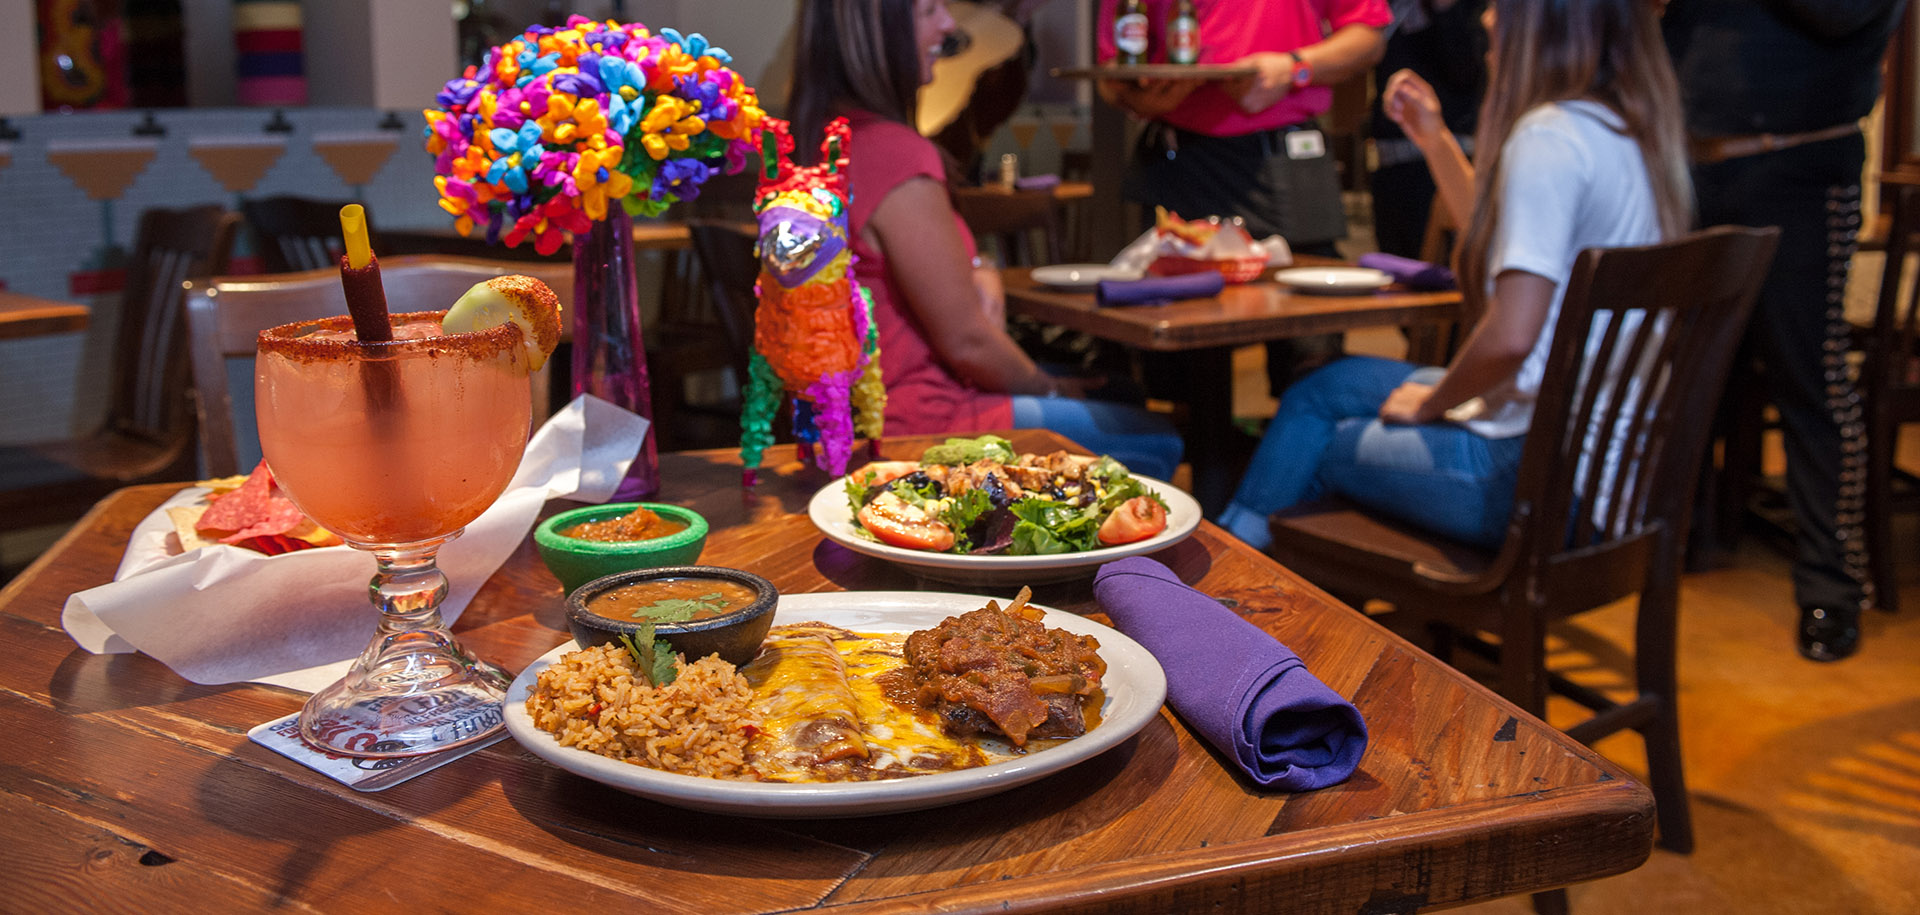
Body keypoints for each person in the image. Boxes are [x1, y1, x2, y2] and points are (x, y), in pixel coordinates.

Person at [1215, 0, 1693, 552]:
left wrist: (1431, 403)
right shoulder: (1624, 128)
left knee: (1311, 438)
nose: (1487, 19)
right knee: (1322, 387)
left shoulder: (1549, 138)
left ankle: (1225, 593)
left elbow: (1512, 337)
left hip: (1532, 474)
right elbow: (1510, 243)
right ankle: (1239, 576)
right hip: (1596, 463)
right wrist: (1434, 138)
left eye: (1501, 6)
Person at [785, 0, 1184, 480]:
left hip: (840, 421)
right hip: (915, 425)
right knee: (1157, 437)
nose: (948, 24)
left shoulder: (814, 144)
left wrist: (980, 269)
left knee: (1117, 391)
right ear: (875, 32)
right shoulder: (895, 154)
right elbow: (969, 341)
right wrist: (1051, 390)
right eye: (929, 10)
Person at [1662, 0, 1907, 662]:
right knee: (1686, 379)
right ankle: (1673, 545)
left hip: (1799, 168)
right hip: (1692, 168)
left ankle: (1832, 585)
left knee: (1811, 379)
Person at [1094, 0, 1390, 397]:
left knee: (1310, 353)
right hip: (1180, 156)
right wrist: (1135, 98)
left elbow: (1367, 38)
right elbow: (1110, 67)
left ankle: (1292, 451)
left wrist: (1295, 66)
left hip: (1286, 156)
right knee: (1182, 363)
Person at [1366, 0, 1485, 261]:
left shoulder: (1479, 14)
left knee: (1450, 271)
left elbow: (1467, 69)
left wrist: (1445, 9)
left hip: (1447, 156)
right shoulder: (1392, 6)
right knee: (1397, 273)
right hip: (1389, 161)